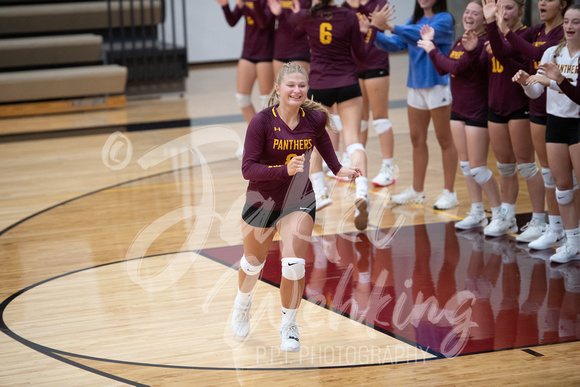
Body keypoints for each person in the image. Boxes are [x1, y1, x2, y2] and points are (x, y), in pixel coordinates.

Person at [232, 62, 363, 352]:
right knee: (253, 263)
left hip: (299, 199)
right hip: (262, 200)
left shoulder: (314, 119)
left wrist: (340, 169)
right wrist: (283, 170)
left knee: (293, 265)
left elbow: (324, 144)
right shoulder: (262, 122)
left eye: (302, 86)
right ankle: (242, 305)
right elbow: (248, 169)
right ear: (277, 89)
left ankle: (289, 325)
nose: (296, 90)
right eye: (290, 85)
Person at [288, 0, 391, 230]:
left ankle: (321, 193)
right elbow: (362, 53)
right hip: (347, 83)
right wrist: (373, 28)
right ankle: (362, 192)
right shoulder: (347, 16)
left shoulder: (308, 16)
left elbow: (292, 27)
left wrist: (296, 14)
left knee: (313, 140)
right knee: (353, 141)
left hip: (320, 85)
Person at [485, 0, 570, 247]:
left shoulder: (561, 32)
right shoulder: (536, 31)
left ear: (563, 5)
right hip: (538, 108)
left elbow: (540, 56)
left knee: (563, 177)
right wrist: (492, 24)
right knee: (548, 173)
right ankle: (552, 226)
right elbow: (503, 53)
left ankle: (564, 228)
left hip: (561, 111)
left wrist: (506, 31)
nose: (542, 3)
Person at [418, 0, 502, 230]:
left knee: (478, 168)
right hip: (459, 110)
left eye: (476, 13)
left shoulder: (484, 42)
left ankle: (500, 214)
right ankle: (477, 212)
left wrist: (431, 48)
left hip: (477, 110)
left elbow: (458, 67)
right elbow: (444, 68)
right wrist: (432, 46)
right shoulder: (462, 39)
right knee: (465, 166)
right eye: (467, 11)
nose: (469, 16)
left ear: (485, 19)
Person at [374, 0, 460, 211]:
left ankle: (450, 192)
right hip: (415, 86)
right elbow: (395, 44)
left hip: (438, 85)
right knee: (416, 139)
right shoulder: (413, 21)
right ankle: (417, 190)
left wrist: (390, 26)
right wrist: (373, 30)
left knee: (444, 139)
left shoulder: (444, 19)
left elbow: (418, 34)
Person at [512, 4, 580, 263]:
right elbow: (536, 92)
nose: (570, 27)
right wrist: (525, 83)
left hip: (577, 123)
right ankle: (571, 242)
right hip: (555, 123)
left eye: (576, 22)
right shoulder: (553, 52)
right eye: (567, 22)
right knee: (562, 188)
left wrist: (554, 80)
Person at [479, 0, 546, 239]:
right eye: (500, 8)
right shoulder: (492, 35)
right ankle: (507, 217)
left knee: (526, 165)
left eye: (509, 7)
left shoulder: (526, 34)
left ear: (521, 10)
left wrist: (496, 42)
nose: (503, 13)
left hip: (519, 106)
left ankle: (539, 220)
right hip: (495, 106)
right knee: (504, 167)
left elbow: (516, 64)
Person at [342, 0, 397, 188]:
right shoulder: (345, 7)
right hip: (354, 66)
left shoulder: (379, 3)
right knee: (361, 119)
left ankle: (388, 168)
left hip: (376, 63)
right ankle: (357, 167)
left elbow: (383, 25)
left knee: (380, 118)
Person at [216, 0, 275, 124]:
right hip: (248, 53)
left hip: (266, 54)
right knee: (242, 98)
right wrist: (225, 6)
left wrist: (247, 6)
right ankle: (257, 135)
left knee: (267, 102)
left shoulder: (270, 2)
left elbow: (263, 23)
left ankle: (272, 137)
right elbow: (232, 21)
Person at [267, 0, 312, 75]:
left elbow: (298, 28)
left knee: (298, 85)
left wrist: (280, 15)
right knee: (280, 85)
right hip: (280, 50)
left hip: (299, 50)